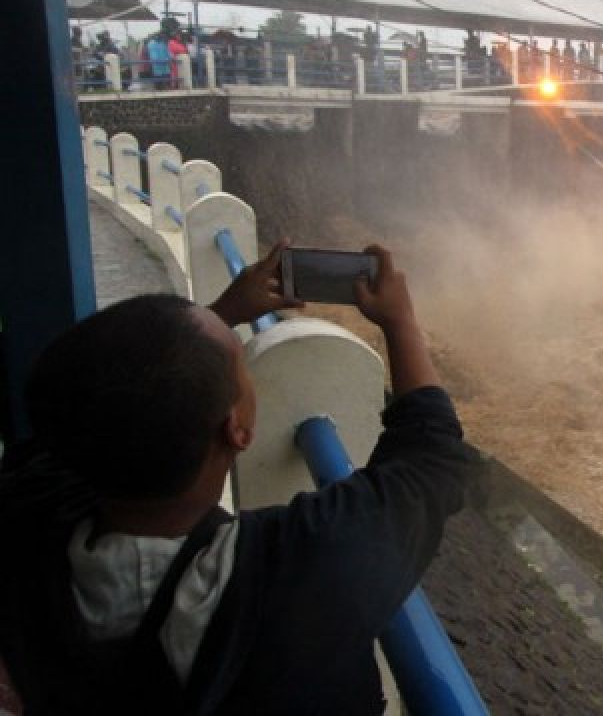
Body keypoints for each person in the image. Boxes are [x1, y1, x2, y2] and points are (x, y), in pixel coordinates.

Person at [0, 243, 479, 714]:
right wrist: (400, 321)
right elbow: (432, 457)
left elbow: (87, 403)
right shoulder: (298, 570)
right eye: (240, 368)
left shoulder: (29, 515)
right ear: (239, 429)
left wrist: (223, 312)